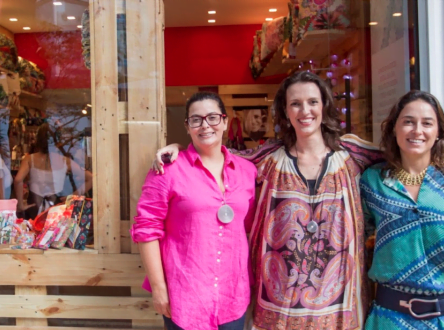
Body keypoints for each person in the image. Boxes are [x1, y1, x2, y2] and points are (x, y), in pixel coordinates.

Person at [153, 71, 383, 329]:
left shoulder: (353, 155)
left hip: (340, 304)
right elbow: (215, 155)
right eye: (295, 103)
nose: (304, 110)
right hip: (279, 306)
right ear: (285, 112)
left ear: (325, 105)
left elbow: (401, 156)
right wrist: (176, 148)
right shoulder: (269, 158)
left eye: (312, 102)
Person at [131, 92, 257, 330]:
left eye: (212, 117)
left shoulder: (248, 170)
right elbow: (146, 229)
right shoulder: (167, 171)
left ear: (225, 121)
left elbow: (247, 226)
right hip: (186, 295)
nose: (205, 125)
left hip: (234, 295)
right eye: (196, 120)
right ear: (187, 126)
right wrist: (159, 289)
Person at [360, 90, 444, 328]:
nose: (417, 130)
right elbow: (356, 246)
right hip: (389, 318)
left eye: (427, 123)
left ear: (438, 132)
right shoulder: (372, 181)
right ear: (394, 128)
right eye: (408, 122)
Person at [14, 123, 92, 219]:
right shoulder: (64, 161)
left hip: (34, 208)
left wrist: (20, 204)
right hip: (57, 209)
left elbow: (18, 180)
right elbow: (91, 178)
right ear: (57, 140)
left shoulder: (30, 159)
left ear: (38, 139)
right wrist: (72, 196)